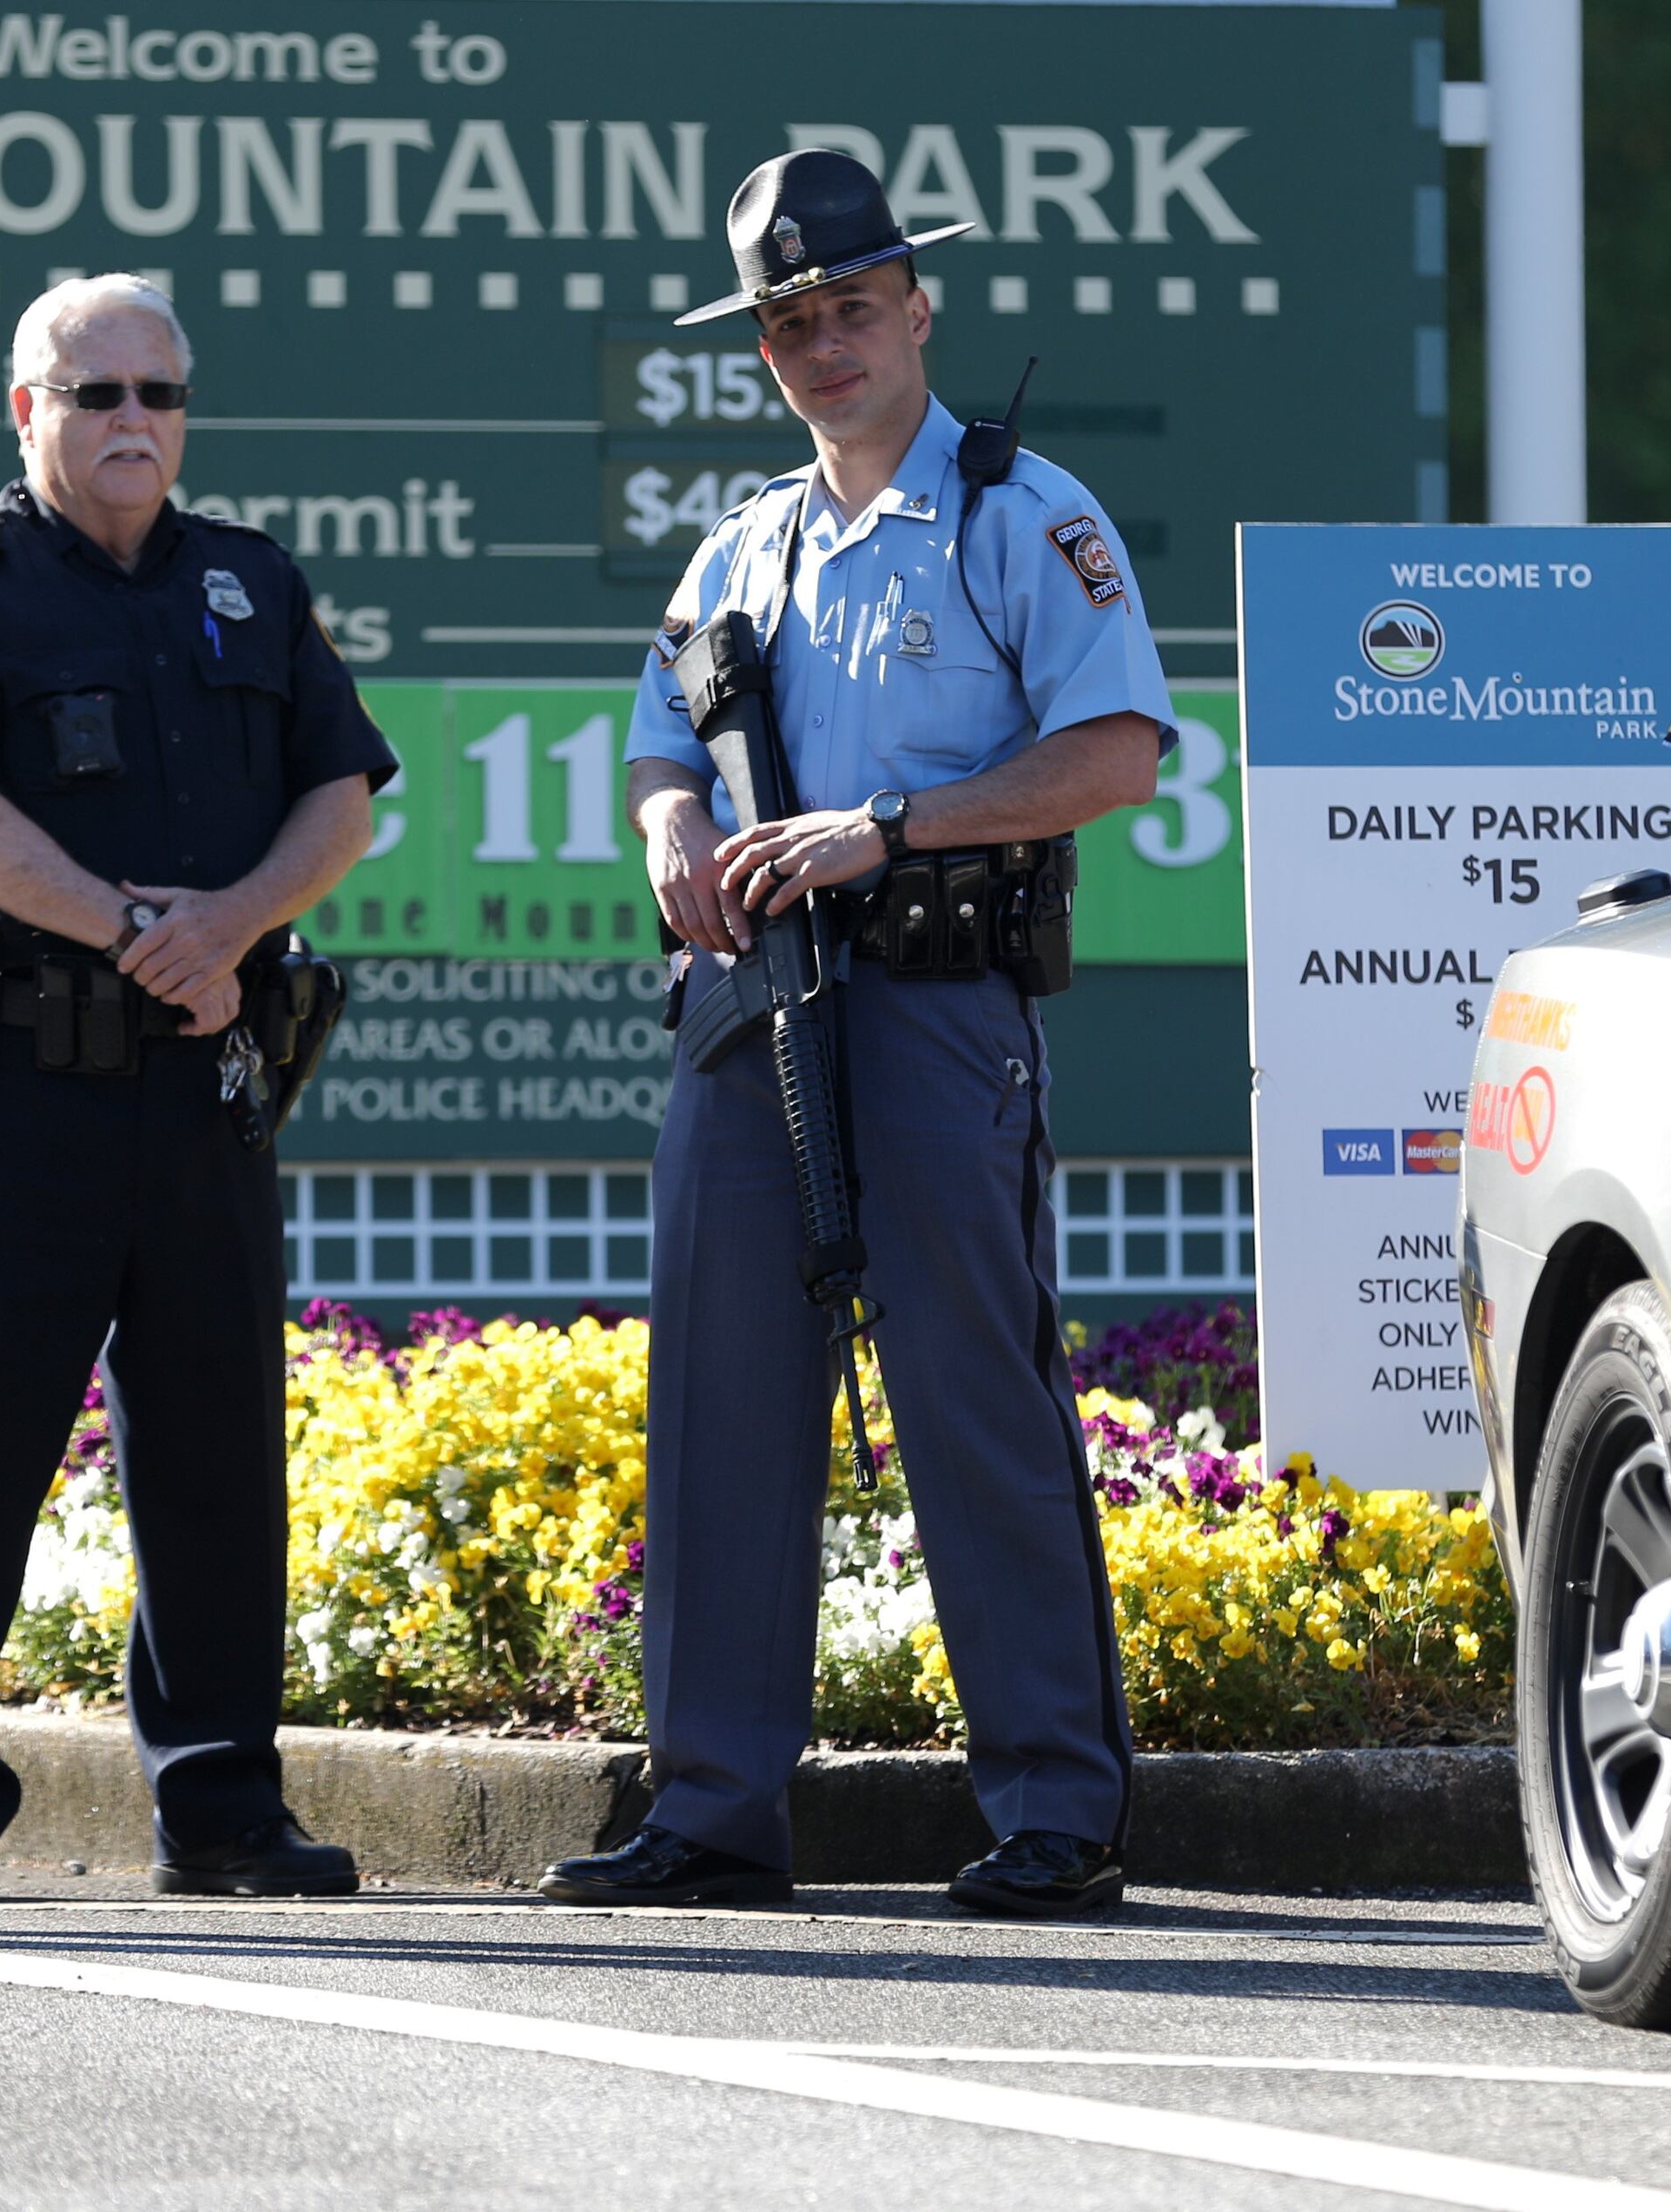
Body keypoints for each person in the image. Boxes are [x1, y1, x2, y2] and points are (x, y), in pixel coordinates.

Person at [536, 151, 1171, 1919]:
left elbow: (1117, 752)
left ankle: (1058, 1804)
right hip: (751, 1012)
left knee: (976, 1398)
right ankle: (712, 1808)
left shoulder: (1017, 514)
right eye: (790, 321)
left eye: (852, 307)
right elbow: (665, 728)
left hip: (934, 1003)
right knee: (721, 1406)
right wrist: (670, 825)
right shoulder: (747, 542)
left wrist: (889, 824)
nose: (826, 343)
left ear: (918, 305)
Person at [0, 274, 393, 1904]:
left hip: (207, 1077)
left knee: (221, 1453)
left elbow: (341, 795)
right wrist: (143, 929)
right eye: (97, 396)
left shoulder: (249, 581)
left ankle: (221, 1803)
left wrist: (232, 926)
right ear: (29, 412)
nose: (135, 420)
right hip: (16, 1090)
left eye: (160, 392)